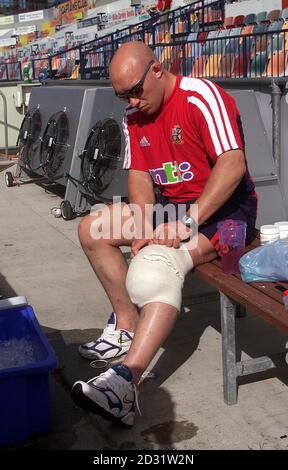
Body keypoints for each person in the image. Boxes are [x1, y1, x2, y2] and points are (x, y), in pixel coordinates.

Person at [71, 41, 257, 426]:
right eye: (123, 95)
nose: (132, 101)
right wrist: (143, 222)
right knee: (92, 228)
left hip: (226, 214)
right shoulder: (133, 115)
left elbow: (233, 164)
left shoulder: (200, 96)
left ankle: (126, 382)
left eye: (136, 90)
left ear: (158, 69)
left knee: (156, 268)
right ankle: (127, 326)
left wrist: (187, 222)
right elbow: (140, 173)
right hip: (172, 211)